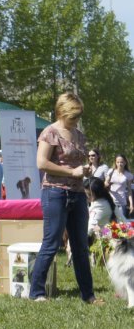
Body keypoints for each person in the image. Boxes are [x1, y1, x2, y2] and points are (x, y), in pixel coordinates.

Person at [29, 92, 102, 305]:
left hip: (78, 194)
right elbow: (41, 163)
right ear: (62, 112)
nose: (76, 120)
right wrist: (71, 173)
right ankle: (37, 293)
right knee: (51, 243)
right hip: (55, 192)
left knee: (80, 245)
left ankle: (88, 295)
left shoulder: (79, 135)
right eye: (73, 116)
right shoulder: (49, 132)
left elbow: (78, 164)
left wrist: (85, 171)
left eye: (78, 116)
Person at [104, 154, 134, 219]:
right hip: (111, 202)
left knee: (121, 224)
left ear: (125, 163)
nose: (119, 164)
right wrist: (107, 184)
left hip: (122, 203)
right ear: (115, 162)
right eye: (118, 162)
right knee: (110, 224)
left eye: (121, 162)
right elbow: (106, 183)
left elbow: (129, 191)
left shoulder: (128, 175)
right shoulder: (111, 171)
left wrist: (131, 204)